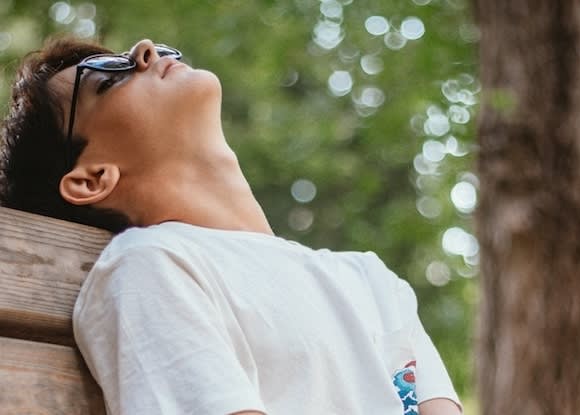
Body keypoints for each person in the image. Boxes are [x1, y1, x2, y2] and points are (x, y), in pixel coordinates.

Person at [0, 37, 463, 415]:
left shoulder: (370, 279)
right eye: (106, 79)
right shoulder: (153, 269)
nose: (146, 51)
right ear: (92, 179)